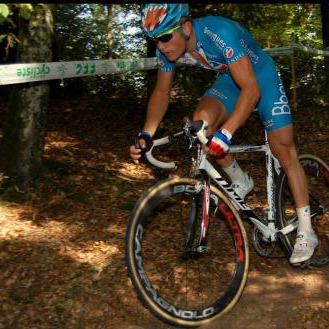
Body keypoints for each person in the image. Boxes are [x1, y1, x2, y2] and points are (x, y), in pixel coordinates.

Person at [129, 3, 317, 265]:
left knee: (283, 150)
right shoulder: (169, 50)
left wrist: (227, 132)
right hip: (230, 81)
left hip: (260, 78)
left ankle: (307, 230)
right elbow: (162, 92)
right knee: (201, 124)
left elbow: (252, 89)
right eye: (154, 40)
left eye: (164, 37)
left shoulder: (219, 31)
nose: (160, 45)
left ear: (185, 27)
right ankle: (240, 178)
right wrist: (146, 133)